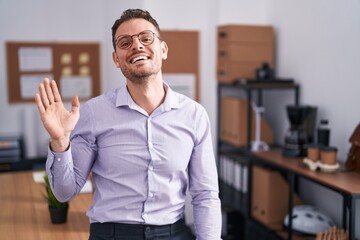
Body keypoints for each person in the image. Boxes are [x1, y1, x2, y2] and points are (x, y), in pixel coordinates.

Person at [35, 8, 222, 240]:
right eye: (125, 42)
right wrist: (60, 141)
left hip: (173, 233)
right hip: (111, 233)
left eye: (145, 38)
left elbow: (205, 195)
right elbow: (64, 192)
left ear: (163, 50)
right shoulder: (93, 113)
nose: (137, 46)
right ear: (116, 59)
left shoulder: (194, 115)